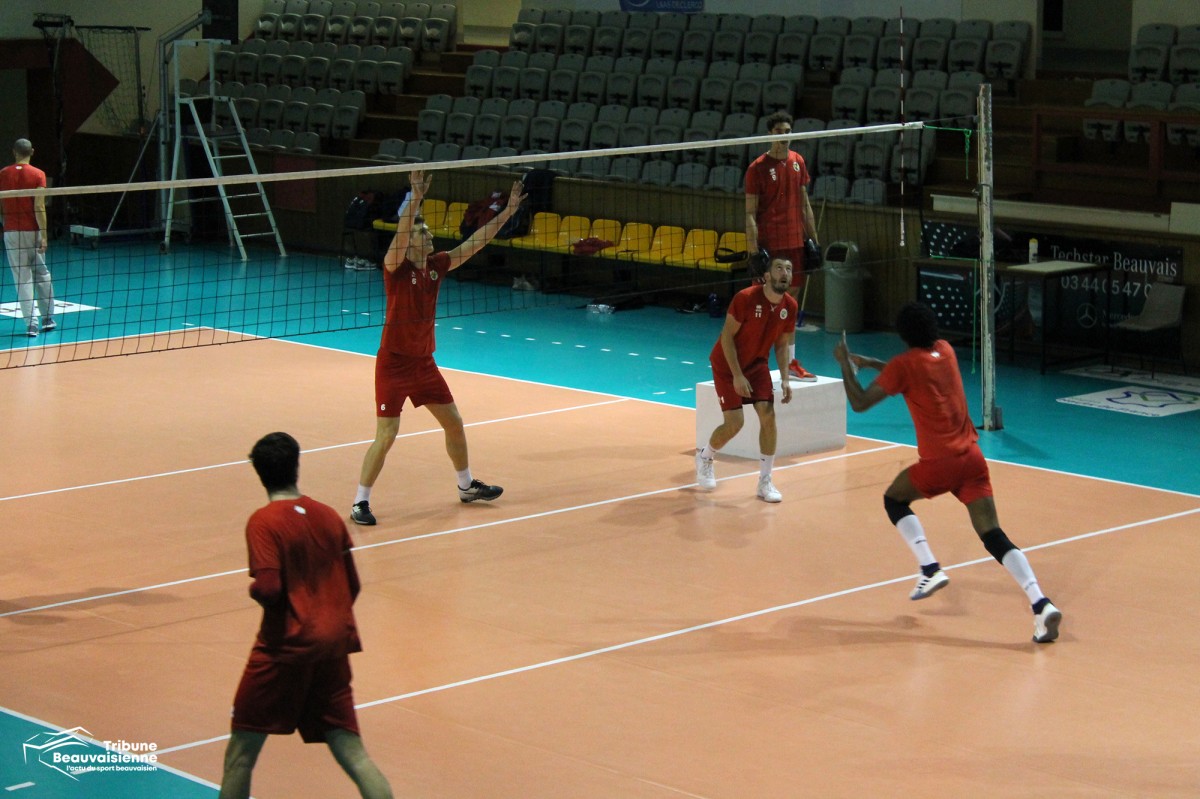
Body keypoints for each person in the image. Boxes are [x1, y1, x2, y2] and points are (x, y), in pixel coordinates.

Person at [832, 302, 1063, 643]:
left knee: (894, 500)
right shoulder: (945, 351)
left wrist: (845, 364)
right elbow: (908, 375)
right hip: (973, 459)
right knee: (993, 535)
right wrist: (870, 364)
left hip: (940, 464)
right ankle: (1041, 604)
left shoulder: (905, 365)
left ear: (902, 334)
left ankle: (929, 568)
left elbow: (860, 402)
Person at [221, 432, 393, 799]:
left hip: (285, 648)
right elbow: (352, 585)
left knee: (240, 755)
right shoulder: (329, 516)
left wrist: (255, 591)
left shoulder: (264, 522)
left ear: (259, 473)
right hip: (333, 647)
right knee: (353, 753)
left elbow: (268, 588)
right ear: (296, 466)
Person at [351, 169, 525, 526]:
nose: (429, 234)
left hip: (424, 364)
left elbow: (475, 243)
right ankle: (359, 503)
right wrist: (414, 198)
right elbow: (401, 235)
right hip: (394, 364)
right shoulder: (395, 268)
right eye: (422, 231)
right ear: (410, 241)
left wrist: (508, 212)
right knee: (387, 435)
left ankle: (466, 486)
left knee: (454, 423)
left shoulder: (436, 266)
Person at [695, 255, 797, 503]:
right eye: (779, 268)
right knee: (735, 423)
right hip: (727, 364)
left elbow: (782, 344)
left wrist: (785, 379)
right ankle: (706, 457)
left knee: (768, 416)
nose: (785, 272)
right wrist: (737, 375)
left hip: (757, 364)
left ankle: (765, 481)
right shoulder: (746, 298)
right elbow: (727, 337)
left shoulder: (790, 307)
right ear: (767, 276)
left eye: (789, 269)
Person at [744, 111, 818, 382]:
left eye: (788, 131)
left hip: (794, 242)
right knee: (763, 304)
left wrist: (814, 242)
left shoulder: (798, 161)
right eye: (779, 132)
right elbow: (750, 213)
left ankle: (790, 364)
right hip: (771, 244)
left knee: (790, 303)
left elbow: (805, 205)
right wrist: (753, 251)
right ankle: (753, 361)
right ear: (770, 134)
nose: (784, 136)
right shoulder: (757, 168)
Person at [0, 138, 55, 337]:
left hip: (12, 232)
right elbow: (39, 206)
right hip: (33, 231)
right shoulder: (38, 174)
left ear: (14, 152)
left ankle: (31, 325)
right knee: (42, 274)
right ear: (32, 151)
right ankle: (48, 319)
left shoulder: (3, 174)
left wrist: (4, 222)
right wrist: (44, 235)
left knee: (22, 278)